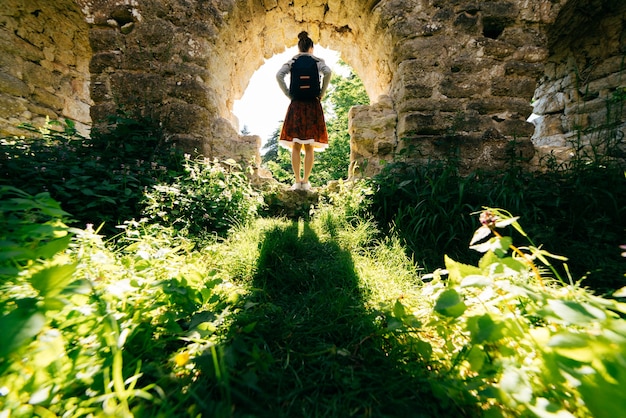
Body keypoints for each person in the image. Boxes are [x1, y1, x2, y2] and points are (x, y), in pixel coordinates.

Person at [276, 31, 332, 191]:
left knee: (296, 145)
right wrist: (321, 93)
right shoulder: (317, 61)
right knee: (309, 146)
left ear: (298, 47)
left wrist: (288, 94)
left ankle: (297, 181)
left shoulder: (292, 61)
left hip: (297, 103)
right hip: (312, 104)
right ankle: (305, 182)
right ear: (311, 48)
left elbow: (279, 75)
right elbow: (327, 72)